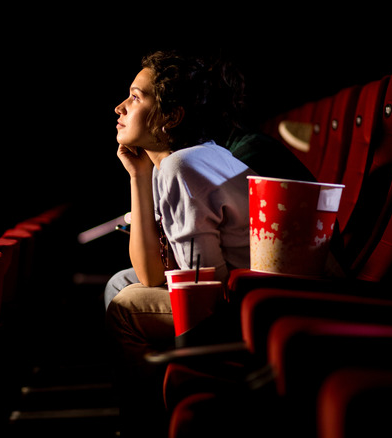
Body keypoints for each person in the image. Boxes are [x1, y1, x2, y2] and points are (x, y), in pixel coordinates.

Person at [102, 49, 279, 437]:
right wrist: (137, 177)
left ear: (171, 117)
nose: (120, 107)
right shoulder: (193, 158)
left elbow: (203, 286)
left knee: (125, 306)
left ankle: (148, 424)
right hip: (242, 293)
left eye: (135, 96)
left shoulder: (183, 167)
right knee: (121, 282)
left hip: (249, 308)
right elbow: (151, 273)